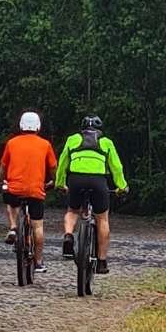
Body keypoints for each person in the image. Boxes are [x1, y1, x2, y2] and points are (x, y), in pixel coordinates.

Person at [54, 115, 128, 273]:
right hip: (98, 181)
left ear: (82, 128)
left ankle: (68, 235)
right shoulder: (106, 142)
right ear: (99, 129)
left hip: (75, 179)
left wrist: (60, 183)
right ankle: (102, 261)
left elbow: (62, 163)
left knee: (72, 210)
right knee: (102, 218)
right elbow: (116, 167)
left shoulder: (73, 139)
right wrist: (122, 186)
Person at [0, 112, 57, 271]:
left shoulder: (11, 143)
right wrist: (54, 181)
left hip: (14, 188)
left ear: (21, 125)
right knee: (37, 226)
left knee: (10, 203)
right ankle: (38, 262)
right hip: (36, 191)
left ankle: (13, 227)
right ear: (38, 126)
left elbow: (3, 166)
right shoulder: (45, 145)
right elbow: (53, 167)